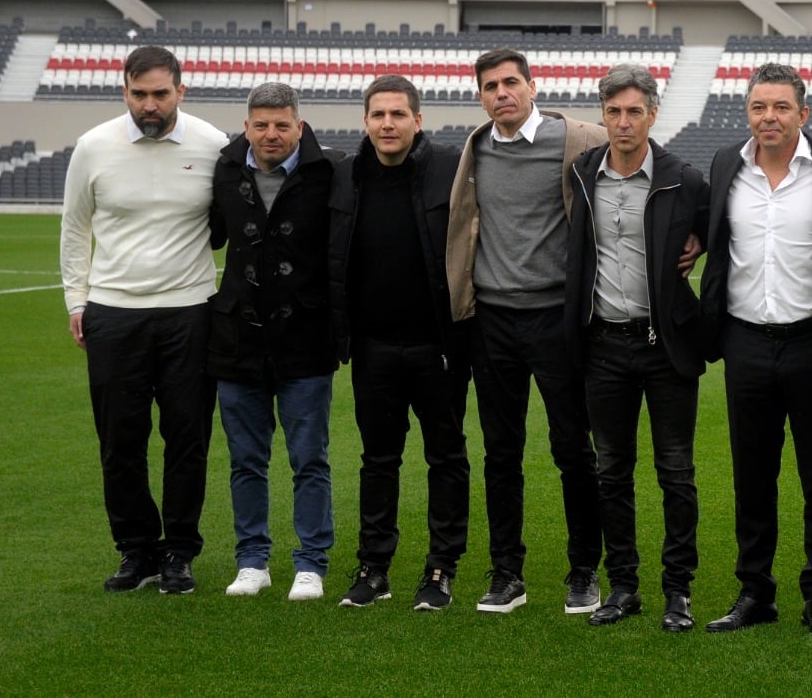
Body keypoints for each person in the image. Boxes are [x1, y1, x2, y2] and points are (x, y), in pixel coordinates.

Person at [699, 63, 812, 637]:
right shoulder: (727, 163)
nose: (768, 117)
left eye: (779, 107)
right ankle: (755, 590)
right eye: (758, 107)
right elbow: (709, 235)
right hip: (745, 340)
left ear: (804, 113)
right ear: (746, 112)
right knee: (752, 475)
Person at [446, 47, 609, 616]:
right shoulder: (475, 150)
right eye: (490, 86)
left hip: (556, 321)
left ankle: (586, 569)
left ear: (533, 86)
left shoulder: (578, 140)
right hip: (491, 321)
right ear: (480, 95)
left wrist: (690, 235)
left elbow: (650, 167)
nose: (501, 94)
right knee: (500, 453)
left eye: (510, 82)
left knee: (572, 449)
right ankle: (506, 572)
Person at [60, 45, 227, 595]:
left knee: (187, 438)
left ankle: (179, 550)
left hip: (190, 311)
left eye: (160, 94)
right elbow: (75, 228)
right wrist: (77, 302)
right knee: (120, 441)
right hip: (113, 314)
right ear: (124, 91)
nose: (149, 106)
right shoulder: (93, 147)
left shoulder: (213, 145)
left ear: (182, 89)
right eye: (139, 95)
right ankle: (137, 550)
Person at [563, 64, 710, 632]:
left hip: (665, 346)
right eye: (613, 112)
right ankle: (624, 586)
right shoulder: (581, 173)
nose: (623, 123)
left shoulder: (684, 178)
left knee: (676, 472)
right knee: (612, 473)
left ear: (652, 115)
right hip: (603, 345)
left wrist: (697, 242)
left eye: (634, 112)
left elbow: (721, 228)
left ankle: (679, 592)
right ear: (602, 115)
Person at [329, 75, 470, 611]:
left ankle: (440, 569)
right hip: (371, 347)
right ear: (365, 121)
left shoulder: (453, 168)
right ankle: (374, 567)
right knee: (378, 460)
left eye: (398, 114)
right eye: (378, 115)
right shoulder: (345, 176)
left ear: (418, 120)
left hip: (439, 346)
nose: (387, 124)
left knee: (446, 458)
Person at [208, 82, 341, 601]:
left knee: (309, 457)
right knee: (246, 458)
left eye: (282, 125)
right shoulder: (223, 170)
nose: (271, 134)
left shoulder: (328, 172)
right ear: (247, 127)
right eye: (261, 125)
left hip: (305, 338)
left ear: (299, 126)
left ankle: (310, 562)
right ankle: (252, 561)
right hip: (236, 337)